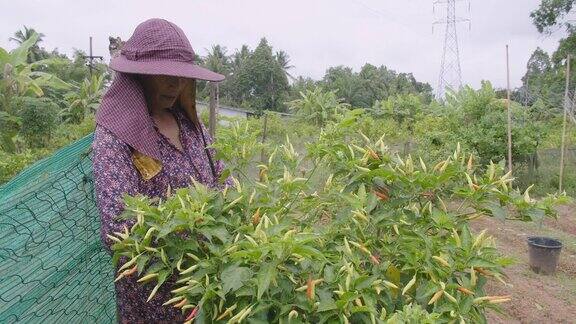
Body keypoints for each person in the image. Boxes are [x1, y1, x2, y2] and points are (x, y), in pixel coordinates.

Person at [92, 18, 229, 323]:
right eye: (164, 74)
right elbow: (119, 231)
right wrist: (188, 232)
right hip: (153, 294)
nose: (175, 84)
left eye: (180, 76)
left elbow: (220, 173)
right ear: (136, 77)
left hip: (206, 283)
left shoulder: (190, 126)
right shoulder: (116, 138)